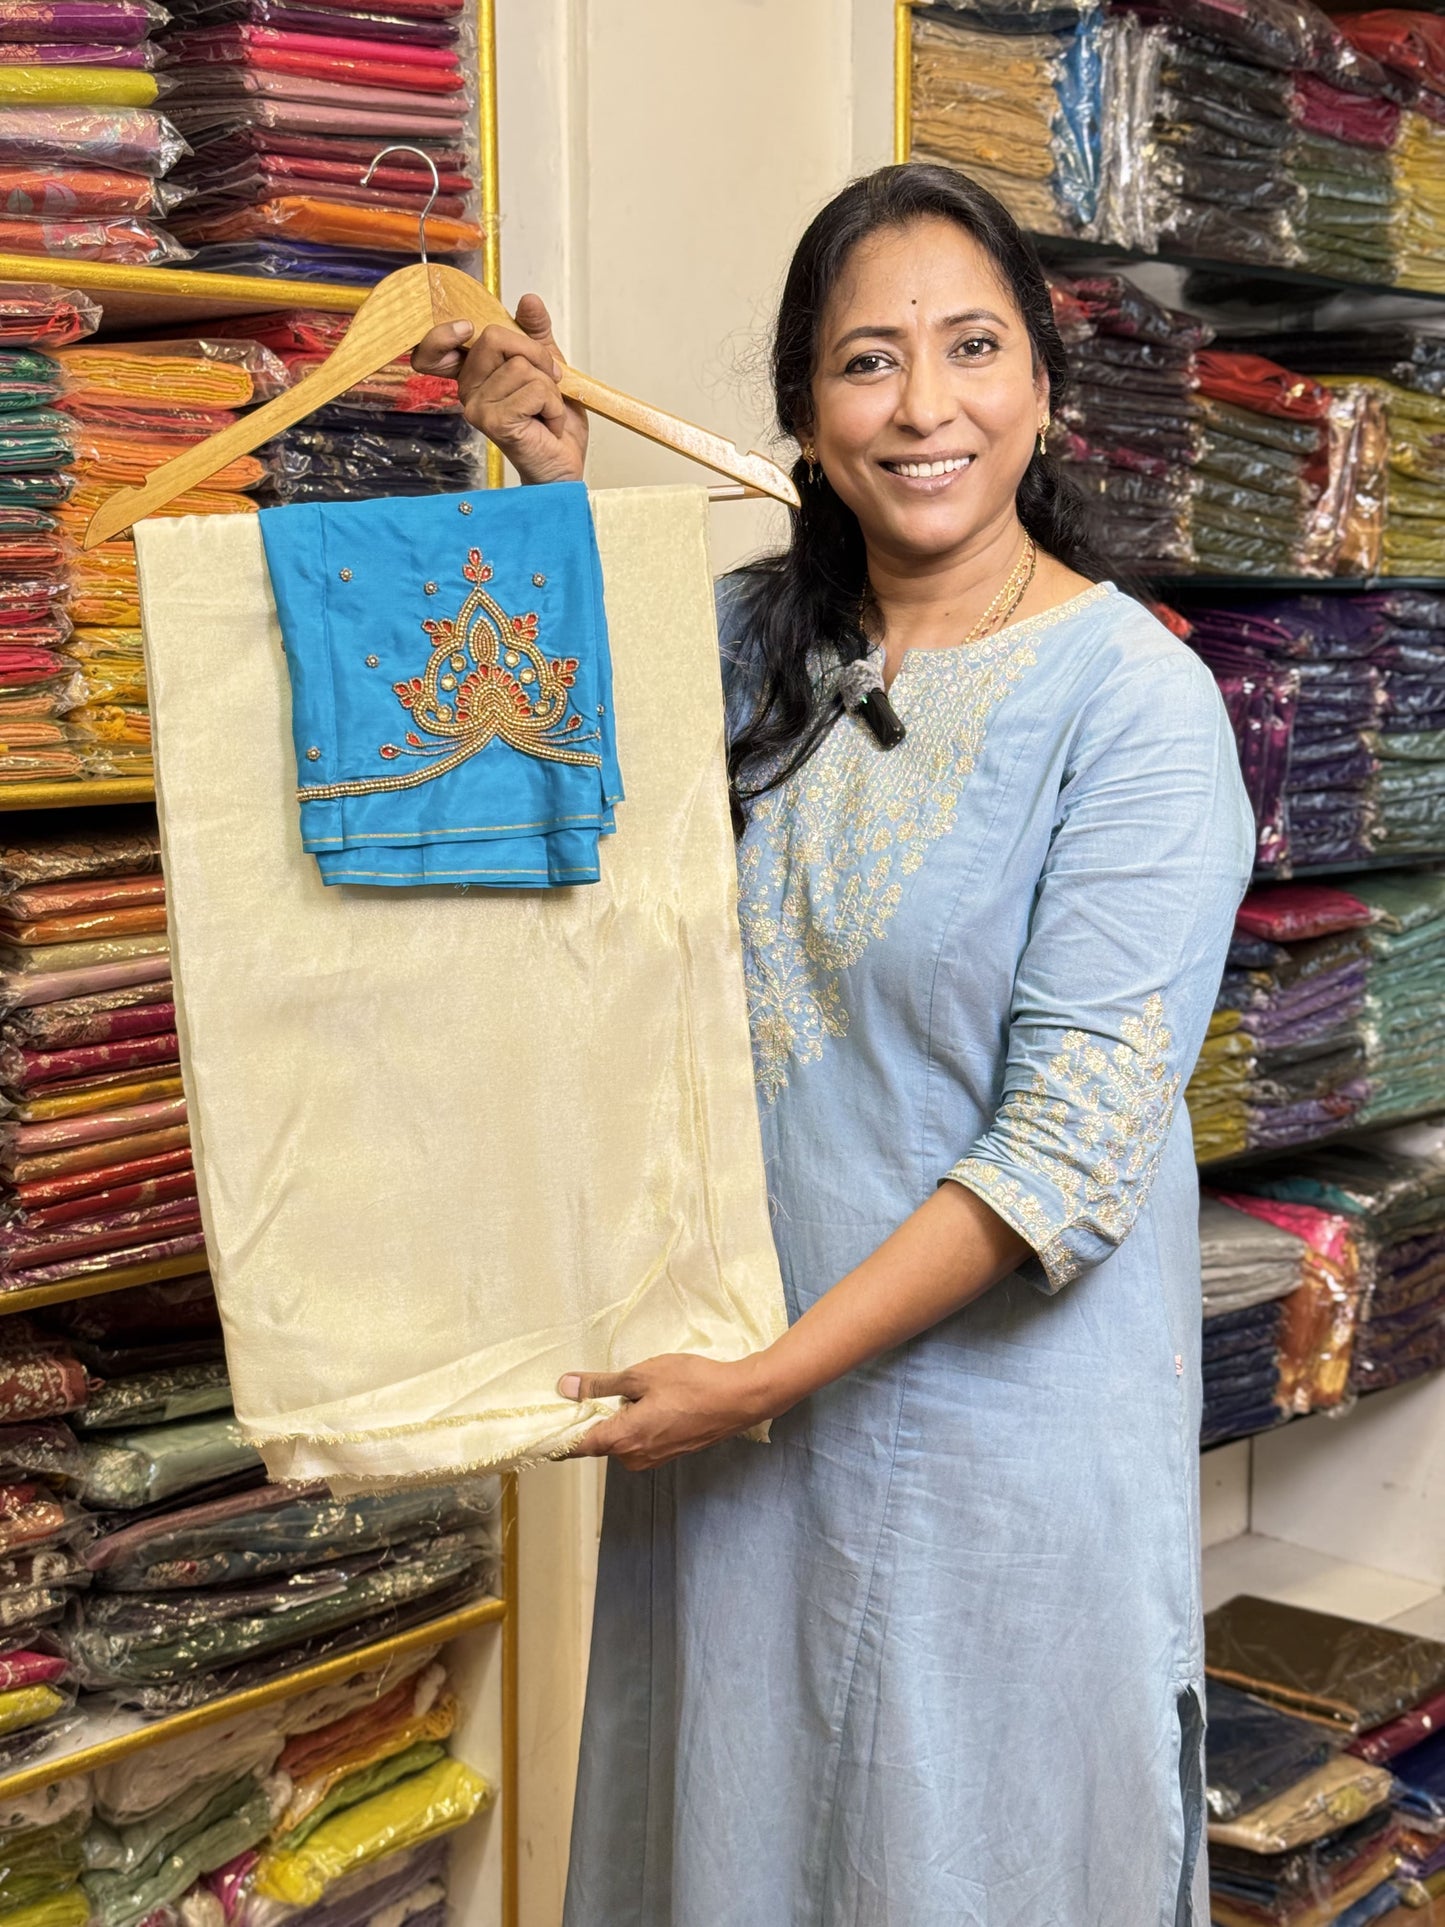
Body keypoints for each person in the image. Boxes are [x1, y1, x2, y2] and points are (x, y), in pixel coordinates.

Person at [415, 162, 1255, 1926]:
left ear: (1040, 379)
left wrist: (766, 1381)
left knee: (967, 1863)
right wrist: (552, 487)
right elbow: (581, 838)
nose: (925, 406)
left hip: (992, 1455)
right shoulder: (743, 645)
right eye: (869, 362)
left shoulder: (1137, 707)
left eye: (971, 348)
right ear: (803, 411)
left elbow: (1068, 1149)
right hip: (729, 1436)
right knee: (728, 1835)